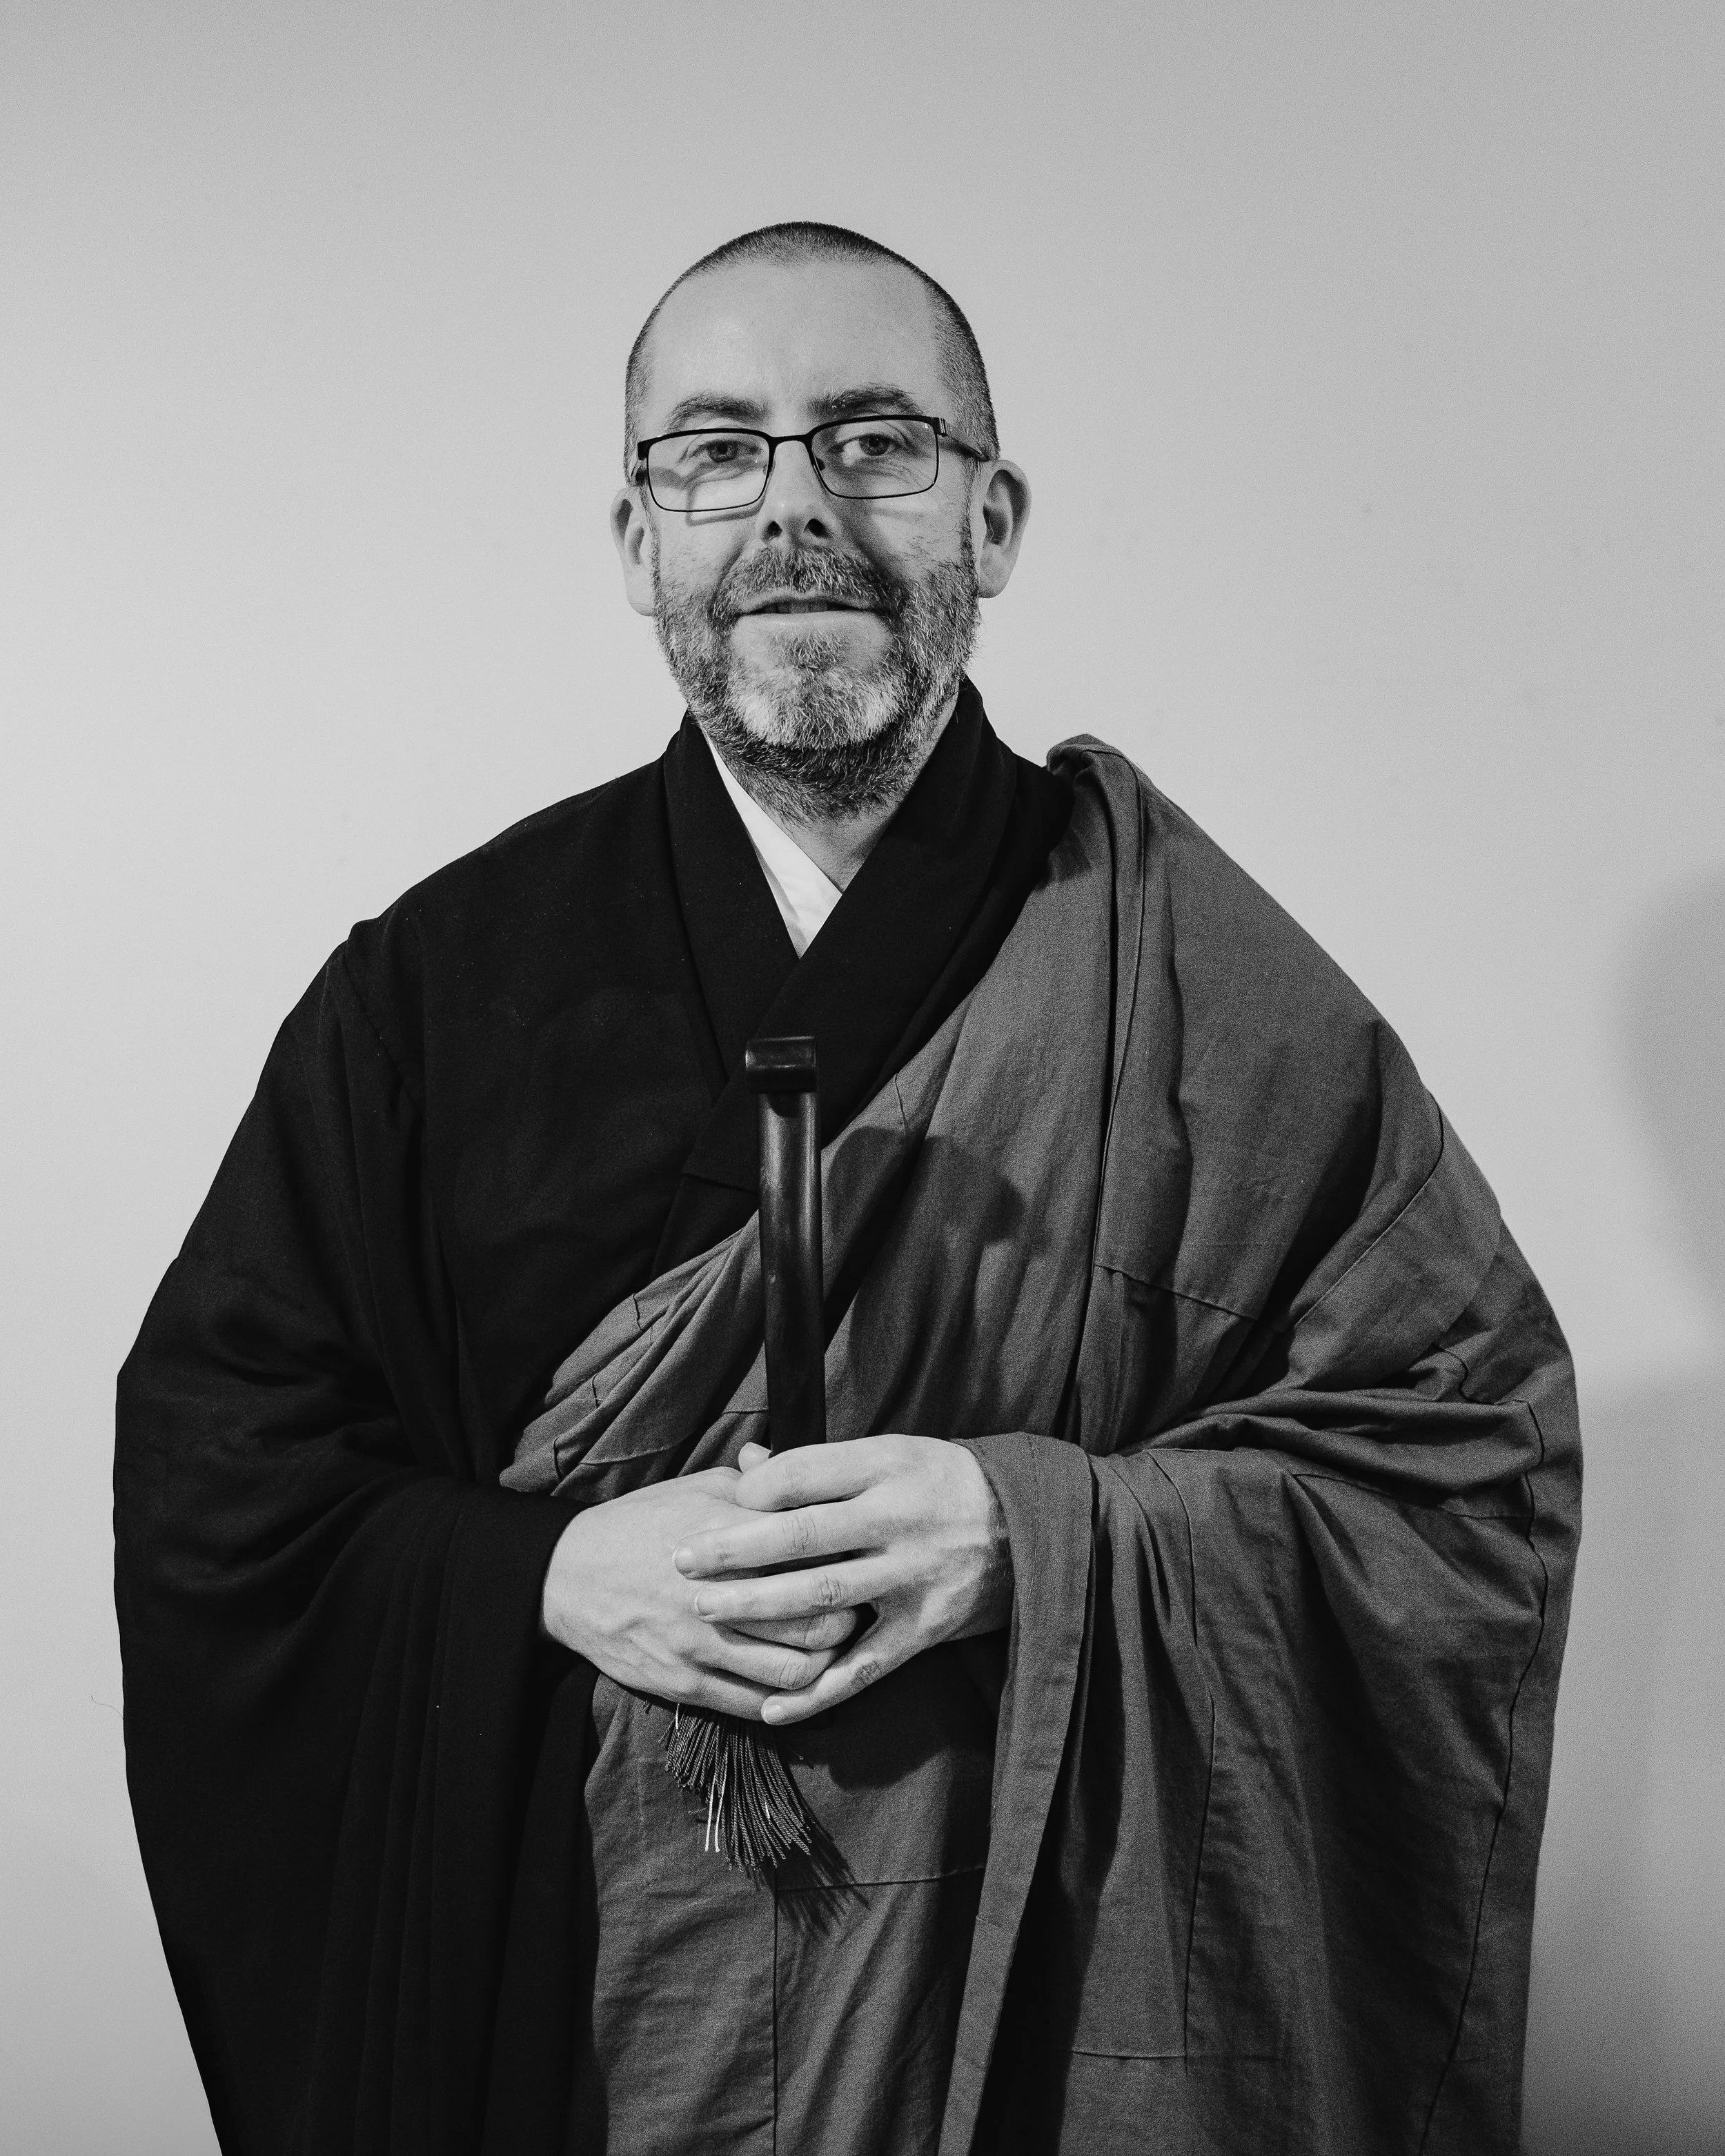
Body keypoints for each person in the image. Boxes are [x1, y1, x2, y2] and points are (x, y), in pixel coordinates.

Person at [115, 221, 1579, 2156]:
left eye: (873, 440)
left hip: (1034, 2002)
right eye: (718, 453)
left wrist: (1032, 1531)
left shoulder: (1203, 985)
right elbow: (222, 1478)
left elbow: (1462, 1465)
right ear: (640, 536)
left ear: (990, 516)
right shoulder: (438, 984)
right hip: (574, 2013)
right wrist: (535, 1573)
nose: (792, 509)